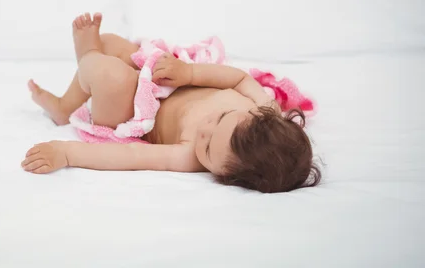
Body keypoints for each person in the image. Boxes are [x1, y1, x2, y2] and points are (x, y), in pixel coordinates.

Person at [22, 13, 321, 193]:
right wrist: (189, 73)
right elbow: (239, 80)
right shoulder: (261, 108)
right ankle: (65, 106)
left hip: (135, 115)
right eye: (220, 118)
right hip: (164, 81)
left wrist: (66, 154)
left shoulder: (188, 158)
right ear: (259, 115)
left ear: (227, 177)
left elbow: (130, 157)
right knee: (110, 43)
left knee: (109, 75)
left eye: (206, 149)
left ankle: (87, 61)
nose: (204, 130)